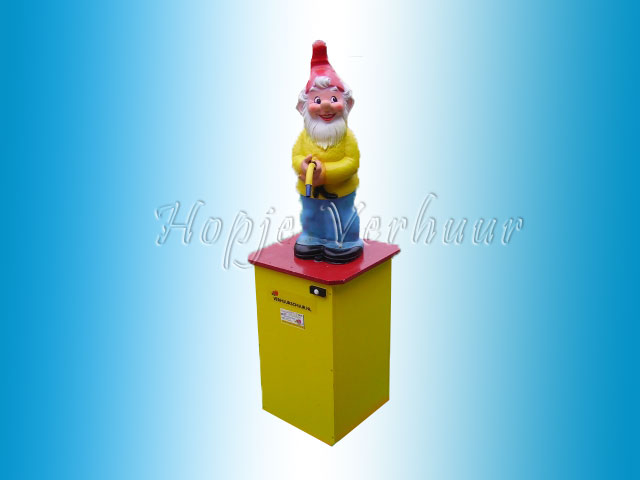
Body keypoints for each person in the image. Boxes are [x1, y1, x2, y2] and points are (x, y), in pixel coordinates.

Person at [292, 40, 364, 264]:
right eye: (317, 100)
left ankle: (344, 241)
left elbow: (351, 163)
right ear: (303, 107)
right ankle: (313, 237)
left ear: (347, 104)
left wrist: (326, 173)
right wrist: (302, 166)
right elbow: (296, 156)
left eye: (334, 99)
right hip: (310, 192)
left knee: (340, 217)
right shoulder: (305, 137)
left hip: (339, 194)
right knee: (311, 215)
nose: (326, 106)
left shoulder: (347, 138)